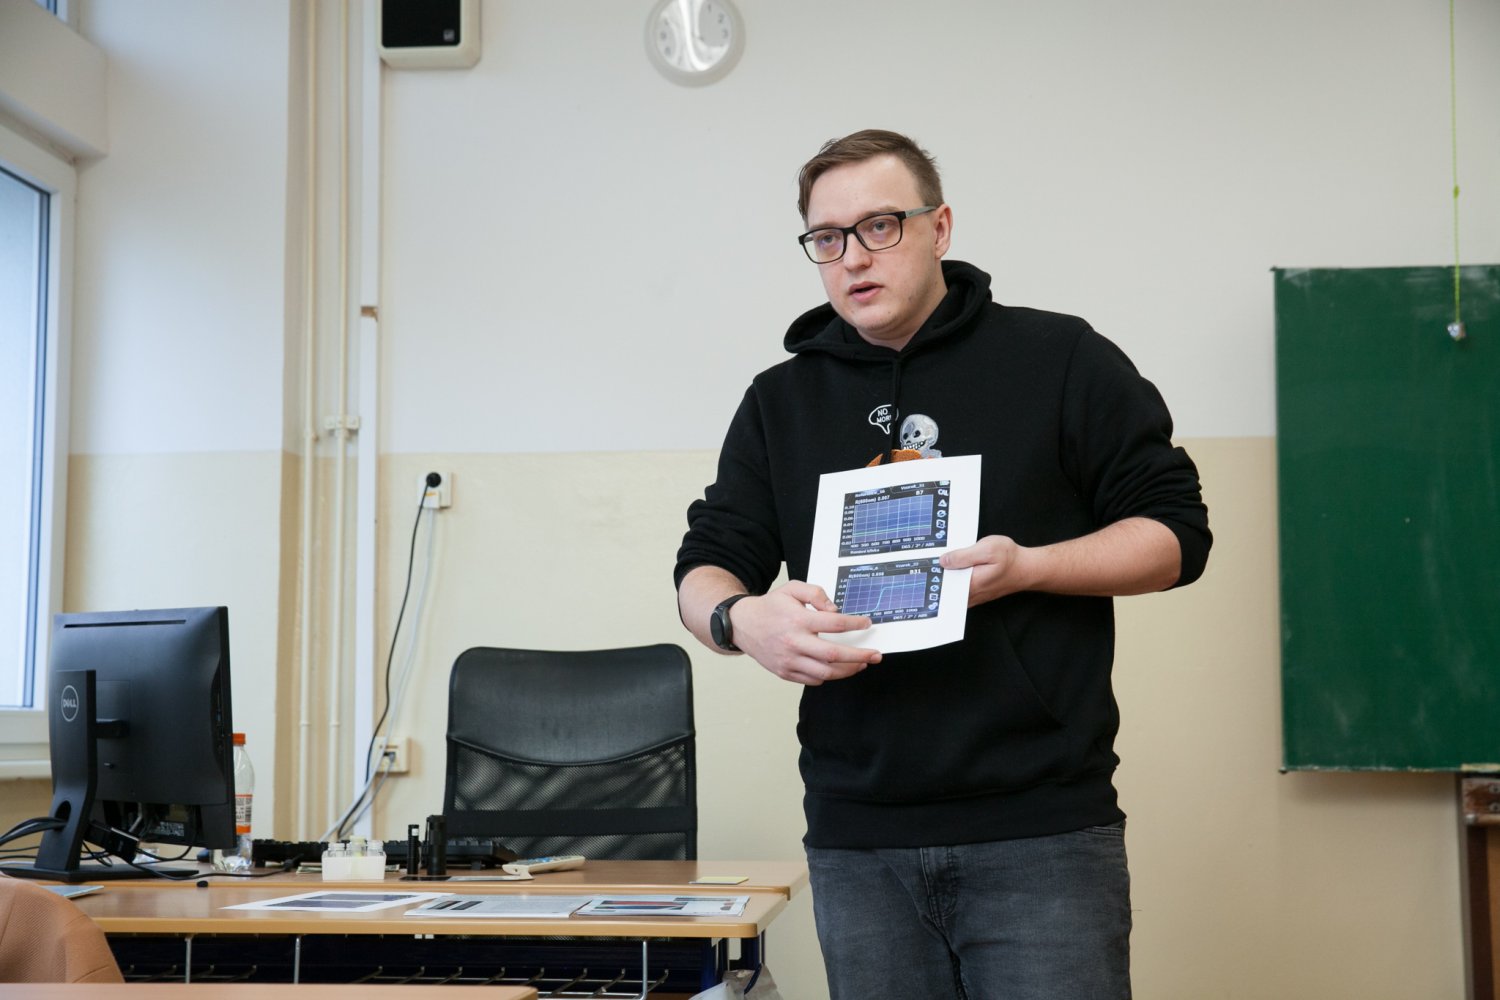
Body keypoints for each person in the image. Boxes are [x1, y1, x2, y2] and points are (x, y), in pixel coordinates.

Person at [673, 129, 1211, 1000]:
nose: (854, 257)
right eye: (828, 238)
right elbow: (706, 565)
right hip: (858, 838)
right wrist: (741, 621)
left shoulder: (1060, 358)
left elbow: (1177, 535)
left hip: (1040, 829)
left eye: (880, 225)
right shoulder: (781, 400)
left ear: (940, 228)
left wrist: (1030, 567)